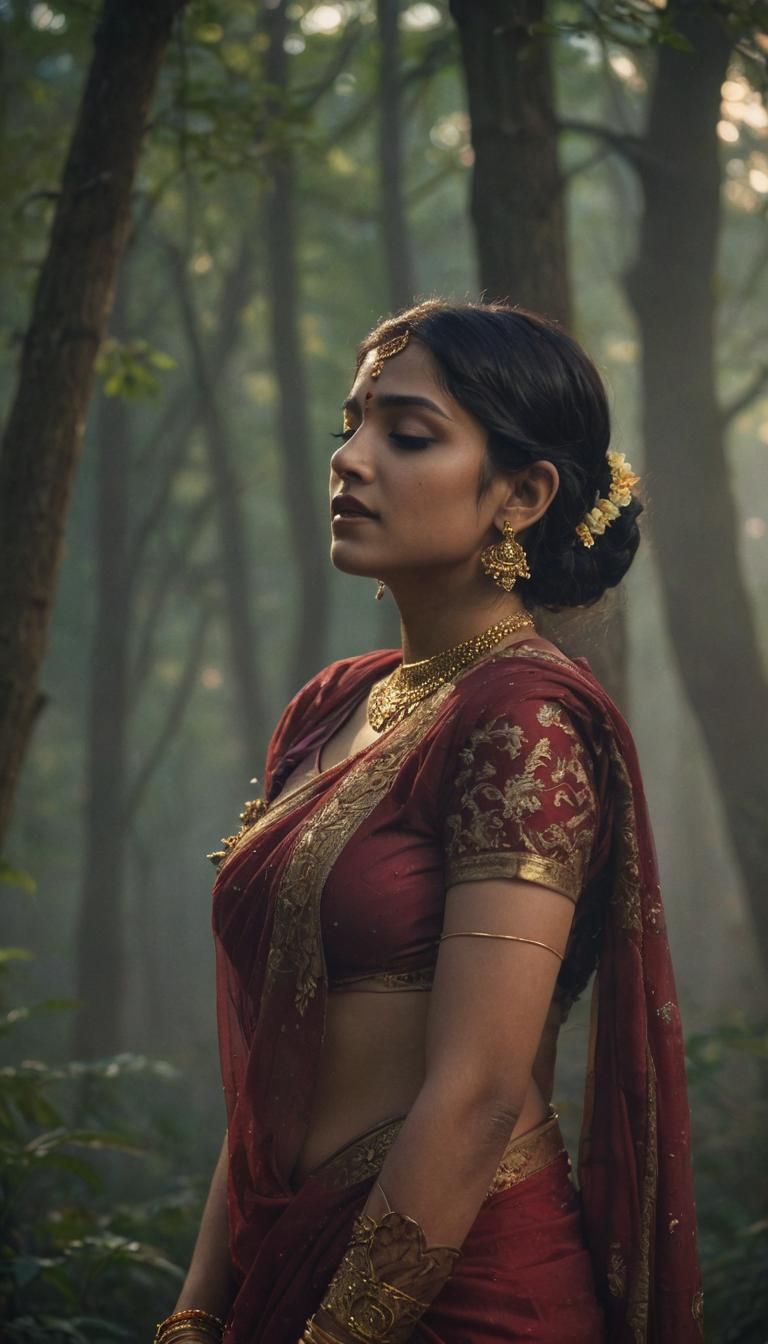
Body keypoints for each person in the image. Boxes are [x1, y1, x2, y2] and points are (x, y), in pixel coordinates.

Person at [154, 301, 703, 1344]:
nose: (350, 460)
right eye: (350, 426)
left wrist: (342, 1332)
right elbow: (274, 1058)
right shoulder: (331, 708)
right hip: (284, 1257)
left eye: (406, 435)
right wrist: (196, 1311)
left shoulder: (523, 721)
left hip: (468, 1287)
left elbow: (481, 1090)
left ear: (522, 495)